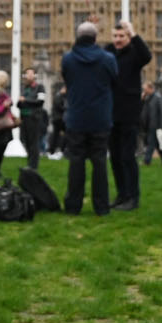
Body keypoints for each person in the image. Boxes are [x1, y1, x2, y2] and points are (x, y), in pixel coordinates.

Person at [60, 21, 118, 215]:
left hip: (76, 117)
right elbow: (114, 80)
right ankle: (101, 206)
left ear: (77, 37)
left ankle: (73, 206)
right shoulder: (108, 59)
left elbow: (68, 80)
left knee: (76, 162)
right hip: (100, 117)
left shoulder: (68, 59)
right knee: (99, 162)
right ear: (95, 38)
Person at [106, 20, 152, 211]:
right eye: (115, 36)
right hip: (111, 112)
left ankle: (133, 197)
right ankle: (121, 194)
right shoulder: (109, 52)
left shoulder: (134, 53)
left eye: (121, 36)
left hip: (129, 113)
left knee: (127, 157)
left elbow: (147, 56)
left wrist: (133, 34)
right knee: (115, 157)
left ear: (128, 38)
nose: (118, 40)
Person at [19, 68, 48, 170]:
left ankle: (33, 166)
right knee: (27, 142)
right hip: (24, 119)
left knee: (34, 143)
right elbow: (19, 104)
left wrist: (25, 100)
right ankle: (29, 164)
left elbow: (40, 101)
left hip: (34, 118)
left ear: (35, 76)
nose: (29, 76)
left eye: (31, 74)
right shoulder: (24, 88)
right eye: (27, 74)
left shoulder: (40, 87)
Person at [142, 81, 162, 165]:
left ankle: (146, 161)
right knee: (159, 145)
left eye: (145, 89)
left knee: (151, 143)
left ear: (150, 88)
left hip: (156, 125)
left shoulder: (158, 97)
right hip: (150, 125)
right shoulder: (148, 98)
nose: (144, 91)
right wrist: (143, 99)